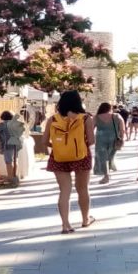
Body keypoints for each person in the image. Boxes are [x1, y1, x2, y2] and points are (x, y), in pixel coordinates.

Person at [44, 90, 95, 234]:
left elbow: (44, 141)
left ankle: (65, 225)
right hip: (82, 156)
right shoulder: (85, 118)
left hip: (59, 158)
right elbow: (91, 140)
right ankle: (85, 219)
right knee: (83, 189)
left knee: (64, 191)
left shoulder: (53, 119)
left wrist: (60, 147)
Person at [93, 102, 124, 184]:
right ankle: (108, 172)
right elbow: (122, 129)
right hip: (114, 139)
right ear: (110, 108)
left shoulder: (96, 117)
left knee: (102, 158)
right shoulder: (117, 116)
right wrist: (122, 138)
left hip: (100, 139)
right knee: (110, 157)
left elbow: (91, 128)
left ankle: (106, 176)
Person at [3, 110, 26, 180]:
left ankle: (10, 177)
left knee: (8, 161)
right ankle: (14, 175)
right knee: (15, 160)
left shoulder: (4, 124)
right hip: (16, 144)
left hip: (8, 144)